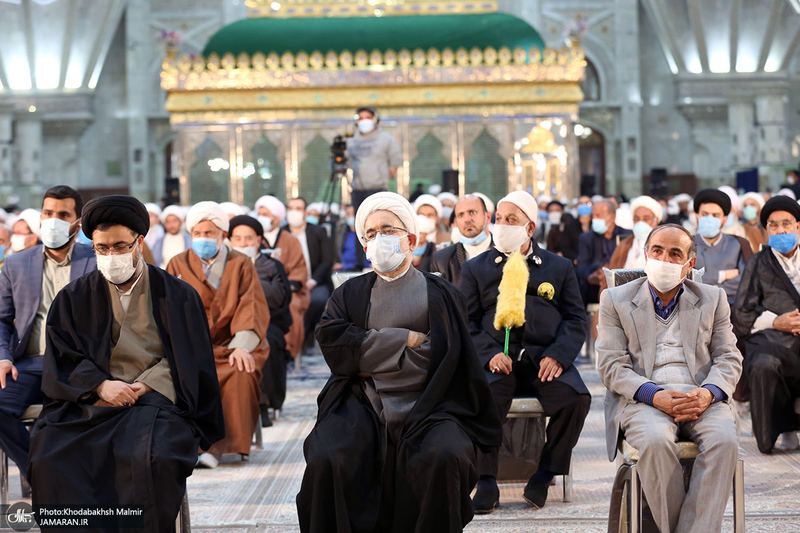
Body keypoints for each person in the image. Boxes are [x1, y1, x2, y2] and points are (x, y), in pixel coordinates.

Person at [297, 192, 501, 533]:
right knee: (327, 459)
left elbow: (441, 357)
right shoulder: (348, 293)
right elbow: (336, 349)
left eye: (387, 230)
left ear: (411, 239)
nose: (379, 239)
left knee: (446, 455)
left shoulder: (442, 294)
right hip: (363, 401)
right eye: (371, 234)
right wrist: (404, 339)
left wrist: (369, 351)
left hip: (432, 403)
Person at [29, 195, 224, 531]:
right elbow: (62, 357)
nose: (110, 256)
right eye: (102, 248)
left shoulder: (177, 295)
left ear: (139, 242)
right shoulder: (73, 297)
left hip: (157, 401)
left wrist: (147, 384)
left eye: (120, 246)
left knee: (152, 457)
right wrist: (101, 385)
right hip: (92, 402)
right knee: (50, 456)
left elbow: (192, 359)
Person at [597, 223, 742, 533]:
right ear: (645, 254)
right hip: (644, 397)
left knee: (724, 440)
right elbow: (610, 365)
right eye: (657, 251)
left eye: (675, 254)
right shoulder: (615, 300)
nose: (664, 259)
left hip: (701, 397)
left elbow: (729, 356)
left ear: (689, 265)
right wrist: (654, 395)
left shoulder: (713, 298)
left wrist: (708, 393)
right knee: (654, 440)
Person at [460, 191, 590, 513]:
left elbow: (575, 318)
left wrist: (559, 355)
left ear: (530, 228)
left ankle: (545, 473)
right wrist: (489, 353)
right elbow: (466, 322)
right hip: (497, 360)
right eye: (498, 219)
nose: (502, 225)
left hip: (542, 359)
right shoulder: (476, 269)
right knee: (483, 396)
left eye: (511, 220)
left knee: (575, 399)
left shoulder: (557, 267)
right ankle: (487, 479)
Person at [0, 186, 96, 489]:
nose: (53, 220)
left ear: (77, 223)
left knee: (88, 416)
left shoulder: (95, 261)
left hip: (78, 367)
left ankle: (54, 474)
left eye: (63, 215)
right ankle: (41, 470)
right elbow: (1, 319)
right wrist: (3, 355)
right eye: (48, 213)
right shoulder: (16, 263)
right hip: (28, 364)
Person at [166, 201, 270, 468]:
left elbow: (251, 306)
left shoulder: (241, 263)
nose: (203, 239)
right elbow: (167, 310)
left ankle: (220, 447)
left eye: (209, 233)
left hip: (232, 344)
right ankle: (190, 443)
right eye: (197, 233)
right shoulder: (177, 264)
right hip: (192, 348)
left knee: (239, 370)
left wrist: (241, 345)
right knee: (182, 376)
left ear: (223, 235)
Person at [733, 195, 800, 453]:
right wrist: (777, 321)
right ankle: (778, 429)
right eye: (774, 225)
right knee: (763, 365)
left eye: (786, 223)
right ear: (766, 230)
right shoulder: (757, 263)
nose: (781, 230)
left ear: (797, 226)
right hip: (772, 340)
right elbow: (742, 313)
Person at [229, 215, 293, 425]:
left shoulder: (272, 265)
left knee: (268, 343)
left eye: (248, 238)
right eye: (237, 238)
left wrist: (251, 283)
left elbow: (281, 298)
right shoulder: (226, 266)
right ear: (230, 240)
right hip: (231, 325)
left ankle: (263, 404)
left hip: (268, 323)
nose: (243, 243)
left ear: (258, 240)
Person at [255, 195, 310, 359]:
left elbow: (299, 268)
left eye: (265, 214)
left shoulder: (290, 240)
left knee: (291, 306)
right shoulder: (256, 240)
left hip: (290, 290)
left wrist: (286, 288)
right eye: (259, 213)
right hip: (260, 289)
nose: (261, 218)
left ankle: (287, 350)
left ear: (276, 218)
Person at [286, 197, 334, 351]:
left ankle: (303, 335)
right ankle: (293, 341)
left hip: (316, 281)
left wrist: (312, 281)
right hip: (290, 283)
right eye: (291, 208)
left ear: (305, 212)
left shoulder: (318, 231)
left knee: (317, 301)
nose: (294, 212)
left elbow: (327, 261)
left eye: (298, 208)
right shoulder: (283, 233)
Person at [691, 189, 751, 305]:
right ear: (697, 217)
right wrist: (722, 275)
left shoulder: (739, 244)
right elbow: (685, 280)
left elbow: (744, 281)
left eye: (715, 215)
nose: (709, 219)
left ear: (725, 219)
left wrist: (705, 284)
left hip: (732, 308)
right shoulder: (686, 244)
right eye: (704, 214)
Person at [347, 106, 403, 212]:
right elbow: (347, 162)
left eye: (368, 117)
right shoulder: (352, 140)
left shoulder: (385, 138)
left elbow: (396, 159)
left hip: (379, 190)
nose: (364, 121)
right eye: (361, 118)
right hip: (358, 191)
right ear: (357, 121)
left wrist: (386, 176)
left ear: (375, 119)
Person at [430, 194, 492, 286]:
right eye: (461, 215)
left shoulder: (507, 253)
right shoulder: (441, 260)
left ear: (488, 217)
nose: (466, 219)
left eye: (472, 212)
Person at [577, 199, 631, 305]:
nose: (594, 219)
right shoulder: (586, 238)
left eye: (598, 216)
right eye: (593, 216)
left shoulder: (627, 236)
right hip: (594, 288)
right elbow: (581, 267)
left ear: (612, 217)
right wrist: (592, 276)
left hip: (623, 286)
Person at [604, 195, 662, 273]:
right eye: (636, 218)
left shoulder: (663, 245)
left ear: (656, 220)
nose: (640, 222)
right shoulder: (624, 244)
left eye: (646, 218)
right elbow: (612, 274)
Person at [152, 205, 192, 269]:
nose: (171, 225)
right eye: (168, 222)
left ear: (180, 222)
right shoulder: (159, 242)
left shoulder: (189, 240)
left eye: (174, 221)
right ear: (164, 224)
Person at [333, 205, 364, 272]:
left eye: (353, 213)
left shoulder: (365, 233)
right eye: (348, 214)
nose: (351, 216)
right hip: (345, 270)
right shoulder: (342, 232)